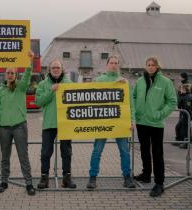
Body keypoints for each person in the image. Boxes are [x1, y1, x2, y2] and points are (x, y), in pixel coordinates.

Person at [86, 55, 136, 190]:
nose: (113, 65)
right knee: (97, 150)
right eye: (111, 63)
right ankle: (92, 177)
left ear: (118, 65)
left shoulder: (124, 82)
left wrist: (132, 120)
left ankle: (127, 177)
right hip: (103, 122)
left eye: (116, 63)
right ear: (107, 65)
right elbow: (92, 99)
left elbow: (131, 103)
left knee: (124, 151)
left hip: (120, 122)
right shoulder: (99, 80)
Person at [0, 51, 36, 196]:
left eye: (12, 73)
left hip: (19, 127)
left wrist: (30, 61)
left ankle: (29, 183)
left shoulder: (21, 87)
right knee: (5, 156)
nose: (10, 75)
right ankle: (4, 181)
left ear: (16, 75)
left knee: (23, 156)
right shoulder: (0, 90)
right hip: (4, 128)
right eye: (8, 72)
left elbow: (28, 75)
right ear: (5, 75)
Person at [133, 57, 177, 197]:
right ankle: (146, 174)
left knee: (157, 153)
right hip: (141, 122)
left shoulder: (165, 82)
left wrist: (160, 114)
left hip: (156, 124)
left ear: (158, 66)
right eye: (148, 65)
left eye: (153, 65)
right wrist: (136, 114)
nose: (151, 67)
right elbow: (133, 98)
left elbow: (172, 101)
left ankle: (159, 183)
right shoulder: (139, 81)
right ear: (146, 66)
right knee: (144, 150)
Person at [35, 59, 76, 189]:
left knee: (67, 152)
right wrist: (51, 91)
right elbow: (38, 102)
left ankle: (67, 178)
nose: (56, 70)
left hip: (65, 123)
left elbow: (76, 101)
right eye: (53, 68)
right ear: (49, 70)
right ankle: (44, 178)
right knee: (46, 152)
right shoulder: (42, 84)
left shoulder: (69, 83)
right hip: (49, 122)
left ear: (62, 69)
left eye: (58, 67)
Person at [175, 84, 192, 149]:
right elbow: (179, 105)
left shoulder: (188, 97)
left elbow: (189, 107)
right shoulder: (184, 96)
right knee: (178, 127)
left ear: (184, 89)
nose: (180, 90)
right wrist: (180, 96)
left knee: (185, 129)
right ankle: (179, 140)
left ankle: (186, 143)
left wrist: (181, 97)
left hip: (187, 115)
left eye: (181, 89)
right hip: (185, 114)